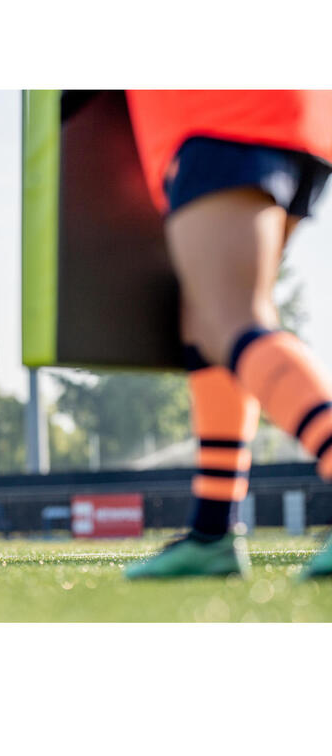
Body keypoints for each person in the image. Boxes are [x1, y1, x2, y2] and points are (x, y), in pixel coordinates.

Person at [121, 90, 332, 579]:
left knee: (234, 317)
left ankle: (213, 534)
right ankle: (212, 532)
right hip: (281, 115)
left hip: (221, 114)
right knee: (208, 328)